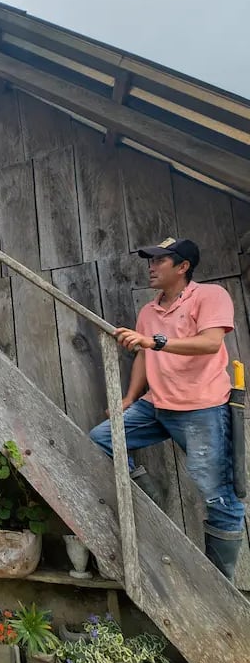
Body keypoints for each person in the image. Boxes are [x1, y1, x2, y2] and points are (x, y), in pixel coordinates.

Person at [89, 237, 246, 583]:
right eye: (150, 260)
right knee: (101, 438)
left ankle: (221, 583)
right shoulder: (149, 311)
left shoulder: (210, 297)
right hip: (155, 405)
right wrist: (130, 397)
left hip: (201, 408)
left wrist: (155, 341)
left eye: (160, 261)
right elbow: (144, 356)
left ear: (183, 266)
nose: (151, 266)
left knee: (219, 494)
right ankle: (150, 497)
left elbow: (210, 343)